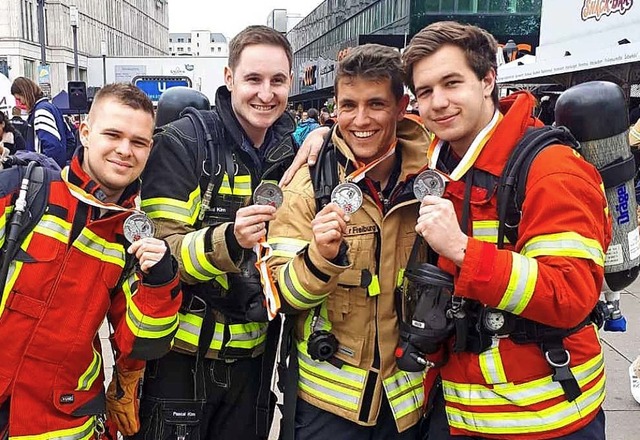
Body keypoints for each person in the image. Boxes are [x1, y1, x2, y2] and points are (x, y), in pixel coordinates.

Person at [403, 21, 609, 439]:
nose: (438, 102)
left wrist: (463, 250)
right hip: (463, 411)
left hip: (546, 418)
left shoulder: (552, 170)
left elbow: (569, 294)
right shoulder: (444, 165)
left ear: (487, 81)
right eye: (425, 92)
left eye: (451, 83)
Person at [135, 25, 297, 440]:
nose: (266, 93)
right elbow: (159, 255)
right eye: (253, 79)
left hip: (254, 365)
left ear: (290, 82)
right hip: (181, 366)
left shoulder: (292, 155)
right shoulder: (182, 143)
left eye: (277, 80)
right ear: (229, 79)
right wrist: (229, 239)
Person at [267, 44, 431, 440]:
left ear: (401, 104)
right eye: (348, 105)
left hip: (407, 404)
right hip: (326, 407)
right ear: (334, 106)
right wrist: (319, 259)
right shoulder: (308, 185)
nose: (360, 120)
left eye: (376, 104)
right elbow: (277, 295)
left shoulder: (438, 174)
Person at [0, 83, 182, 439]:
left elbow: (143, 344)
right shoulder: (22, 190)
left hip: (60, 422)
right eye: (113, 134)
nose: (124, 151)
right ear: (85, 132)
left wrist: (160, 281)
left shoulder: (137, 239)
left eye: (139, 142)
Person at [10, 76, 74, 167]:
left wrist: (45, 169)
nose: (20, 104)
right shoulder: (51, 107)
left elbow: (52, 146)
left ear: (25, 94)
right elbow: (70, 139)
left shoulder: (41, 111)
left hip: (45, 171)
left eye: (19, 99)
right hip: (56, 168)